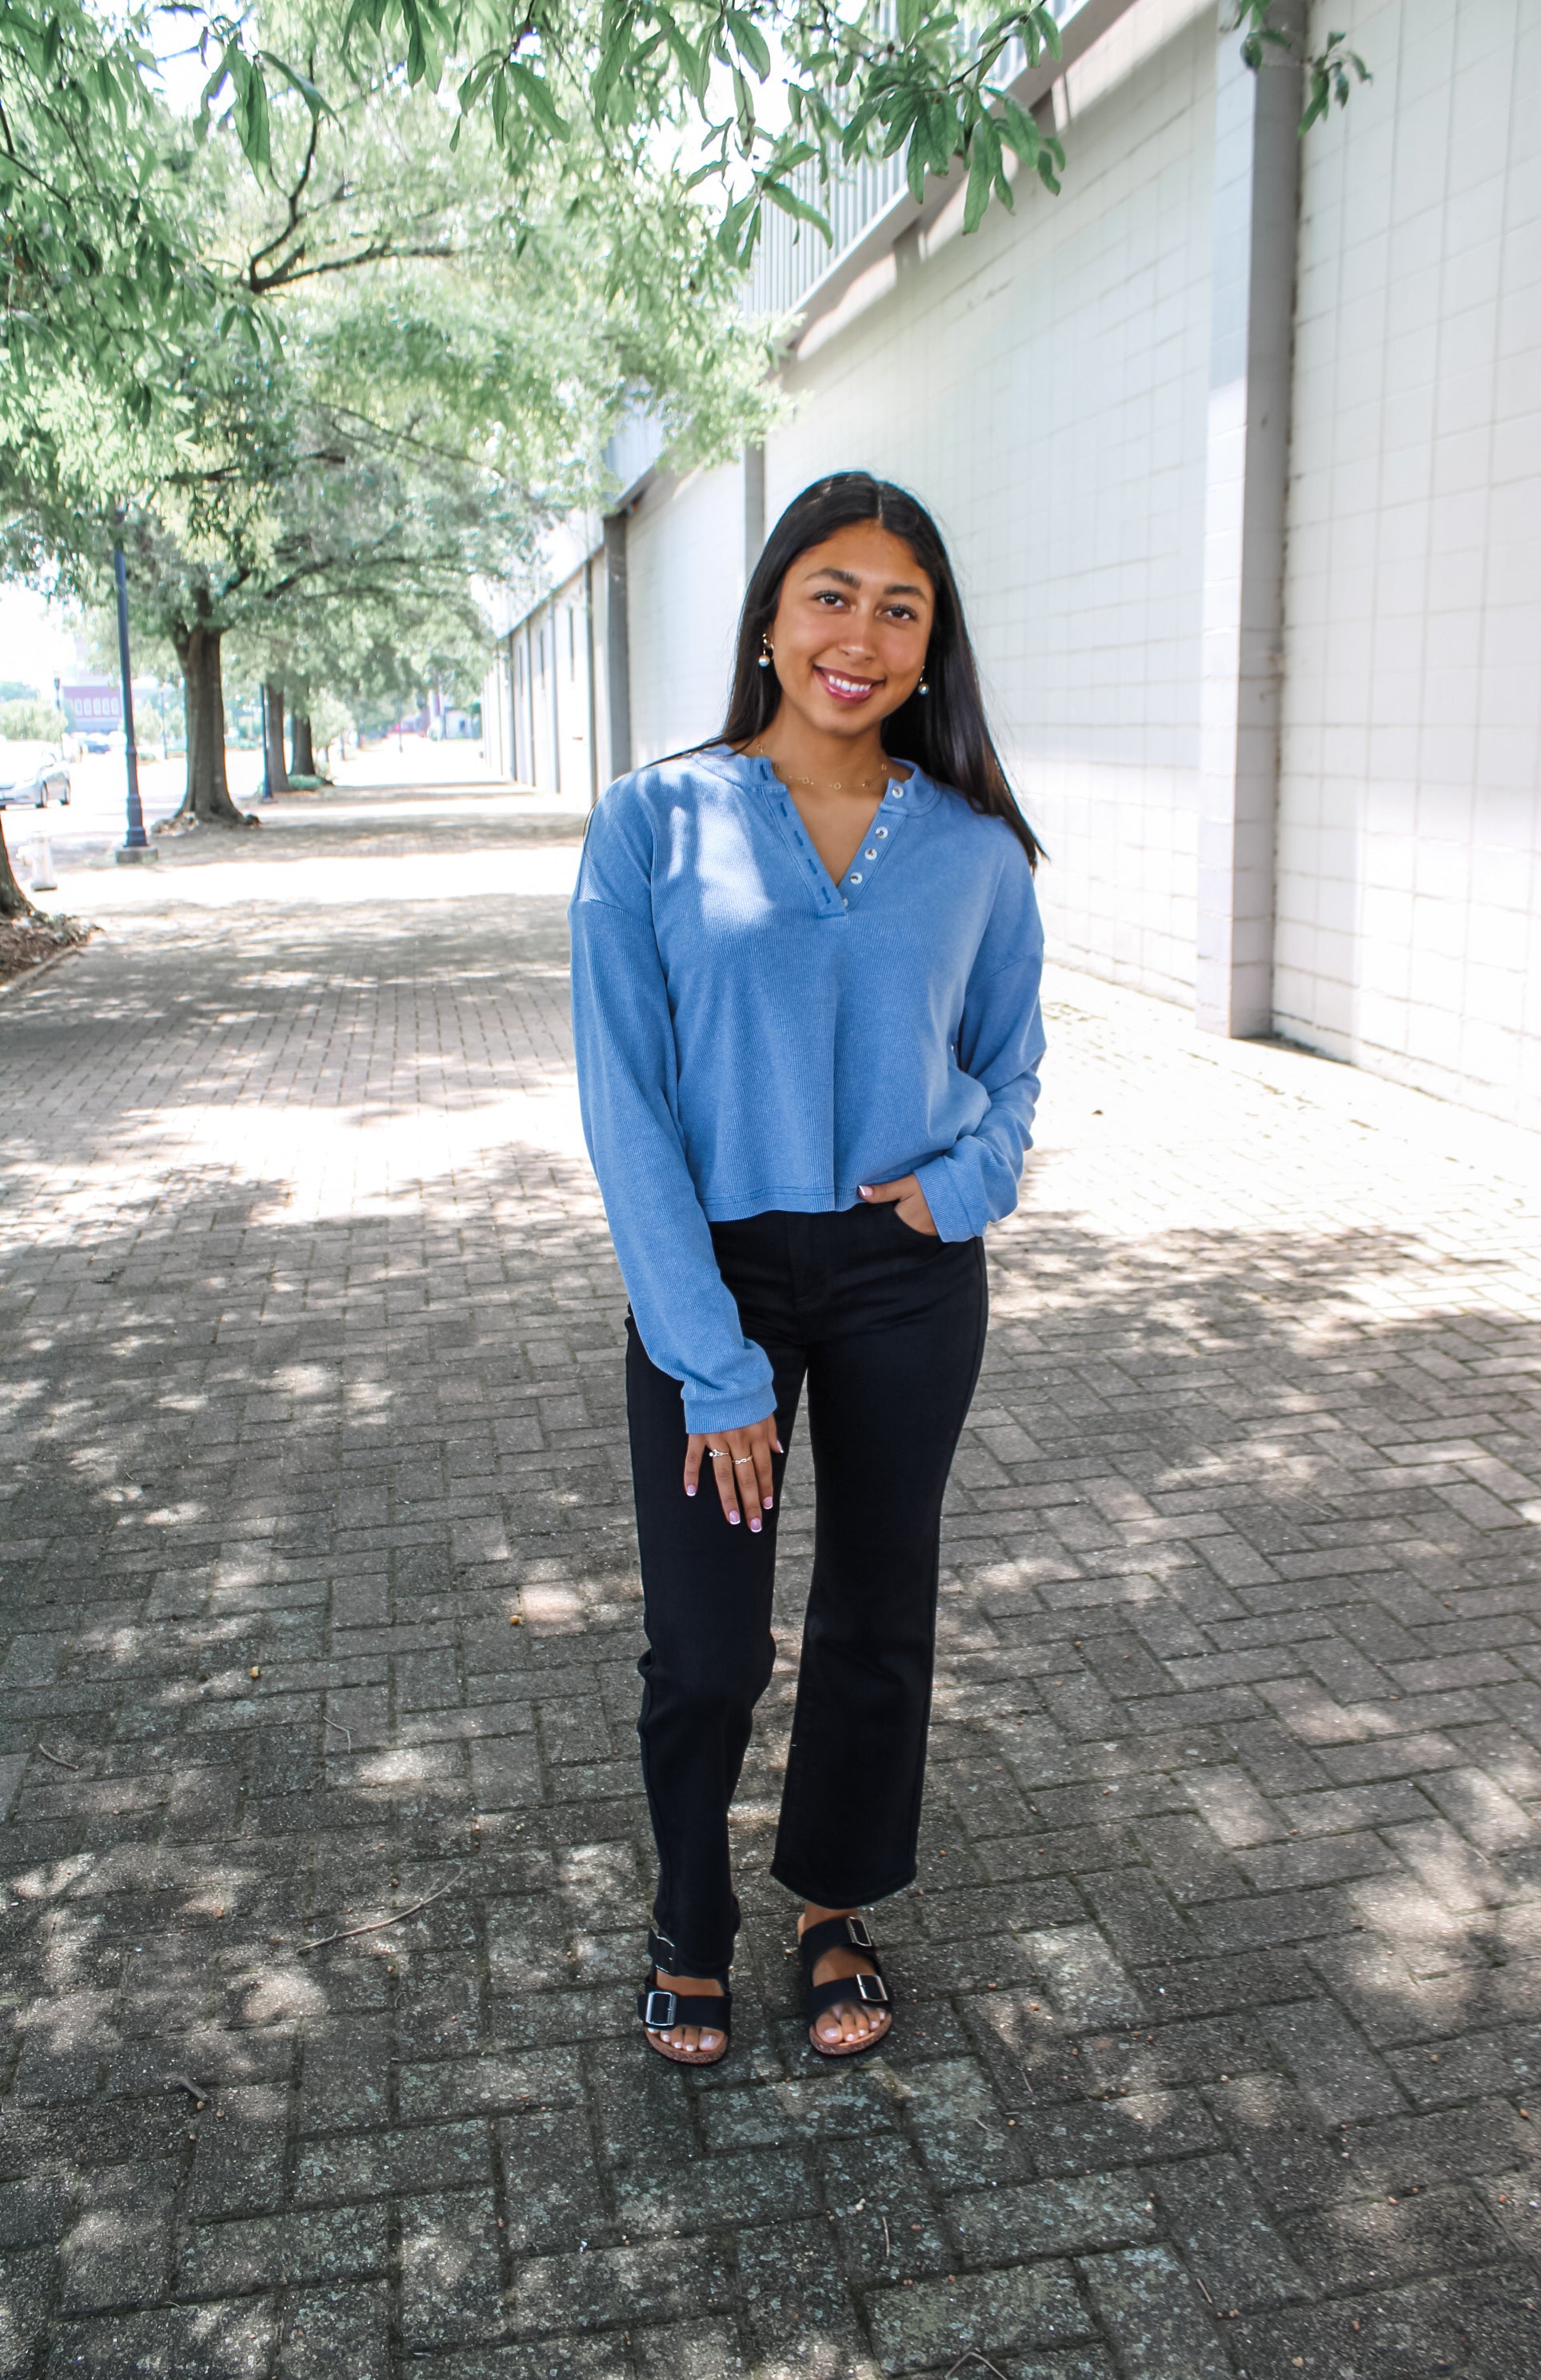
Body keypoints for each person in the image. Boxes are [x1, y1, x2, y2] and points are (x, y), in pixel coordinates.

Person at [569, 472, 1045, 2066]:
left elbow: (1011, 1063)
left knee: (874, 1619)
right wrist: (709, 1361)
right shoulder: (652, 822)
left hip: (906, 1274)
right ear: (770, 614)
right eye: (830, 593)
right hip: (714, 1280)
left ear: (932, 642)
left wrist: (958, 1188)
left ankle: (833, 1906)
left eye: (900, 608)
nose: (862, 634)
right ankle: (685, 1914)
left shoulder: (975, 848)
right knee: (708, 1650)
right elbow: (626, 1102)